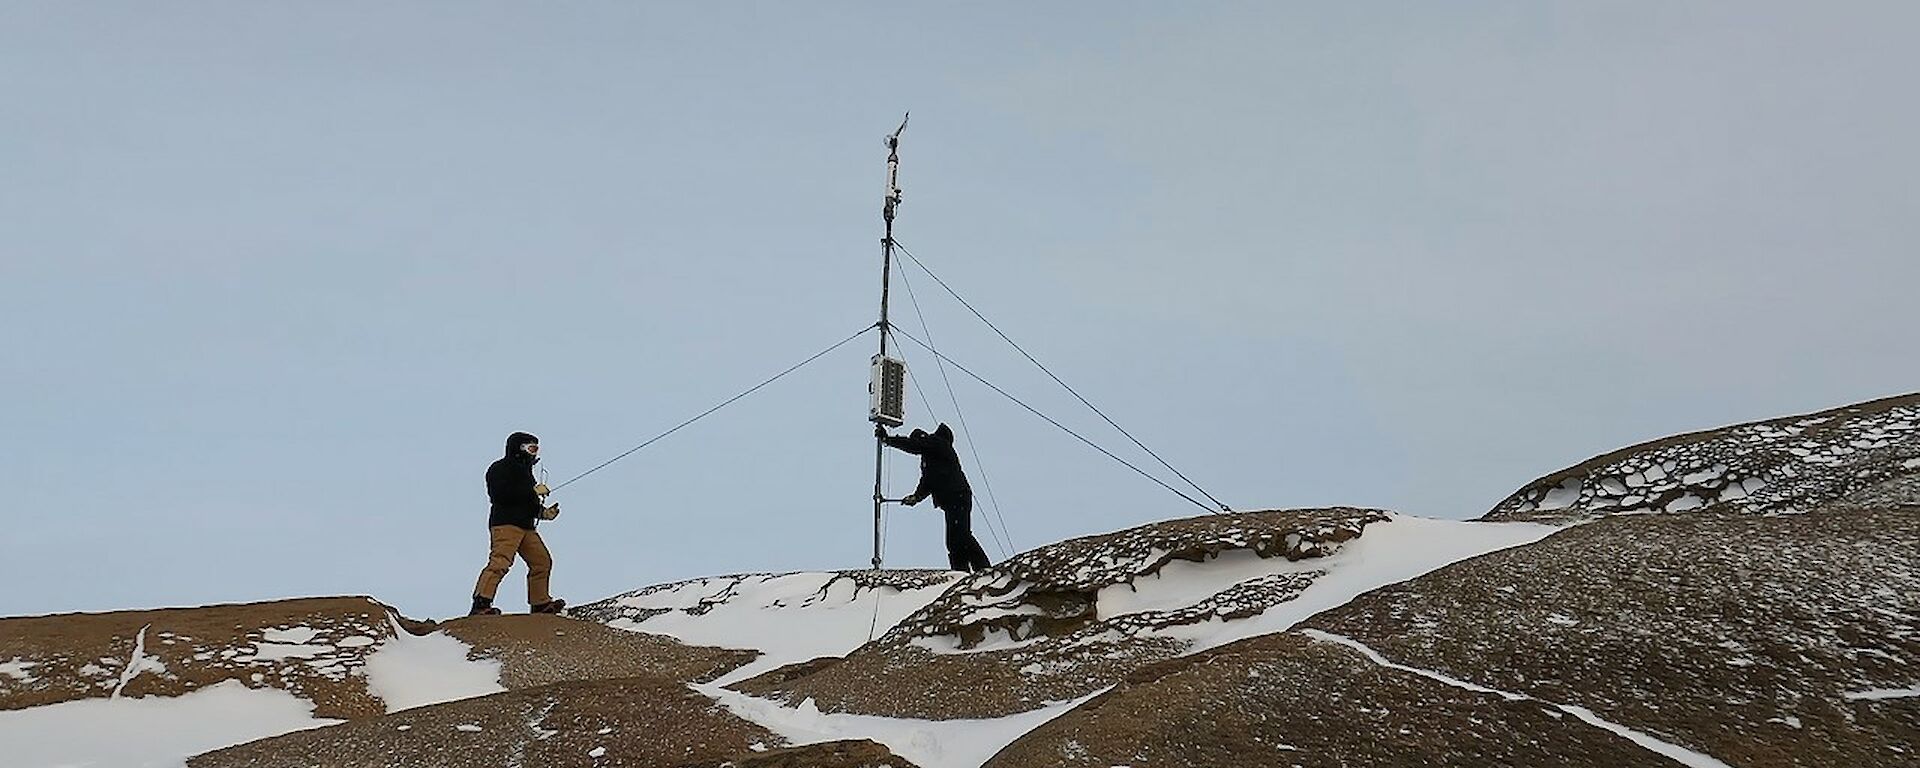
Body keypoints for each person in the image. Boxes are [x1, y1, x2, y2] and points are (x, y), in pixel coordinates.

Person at [471, 431, 565, 616]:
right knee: (500, 562)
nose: (534, 453)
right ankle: (481, 604)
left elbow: (528, 504)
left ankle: (540, 603)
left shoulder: (526, 473)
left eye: (536, 449)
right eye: (531, 448)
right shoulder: (500, 468)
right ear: (519, 448)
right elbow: (500, 495)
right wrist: (531, 492)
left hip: (526, 526)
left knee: (541, 561)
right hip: (506, 524)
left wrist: (544, 513)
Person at [878, 423, 992, 572]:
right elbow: (928, 481)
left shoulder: (937, 443)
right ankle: (962, 571)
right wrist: (916, 497)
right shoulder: (932, 457)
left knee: (960, 536)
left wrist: (888, 440)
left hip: (956, 496)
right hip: (955, 498)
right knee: (955, 538)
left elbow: (915, 447)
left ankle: (979, 568)